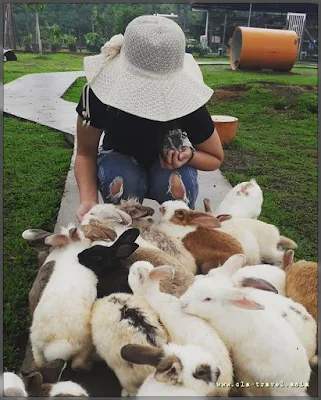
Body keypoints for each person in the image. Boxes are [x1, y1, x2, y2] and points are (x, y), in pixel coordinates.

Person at [75, 15, 224, 222]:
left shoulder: (188, 102)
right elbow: (85, 153)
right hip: (120, 163)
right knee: (122, 184)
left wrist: (189, 156)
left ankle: (175, 236)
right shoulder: (98, 94)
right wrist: (88, 201)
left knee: (177, 185)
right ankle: (126, 234)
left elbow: (215, 158)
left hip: (166, 172)